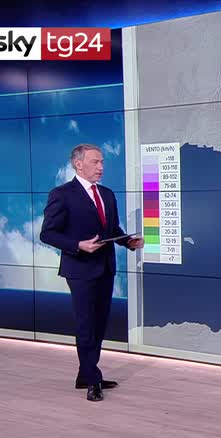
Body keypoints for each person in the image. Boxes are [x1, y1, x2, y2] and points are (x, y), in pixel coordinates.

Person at [40, 143, 144, 402]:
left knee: (98, 324)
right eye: (95, 162)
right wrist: (78, 245)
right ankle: (93, 379)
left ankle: (85, 374)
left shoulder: (107, 194)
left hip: (105, 267)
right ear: (78, 164)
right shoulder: (62, 194)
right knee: (86, 325)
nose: (101, 167)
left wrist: (127, 241)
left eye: (102, 162)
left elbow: (112, 229)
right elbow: (47, 233)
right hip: (80, 269)